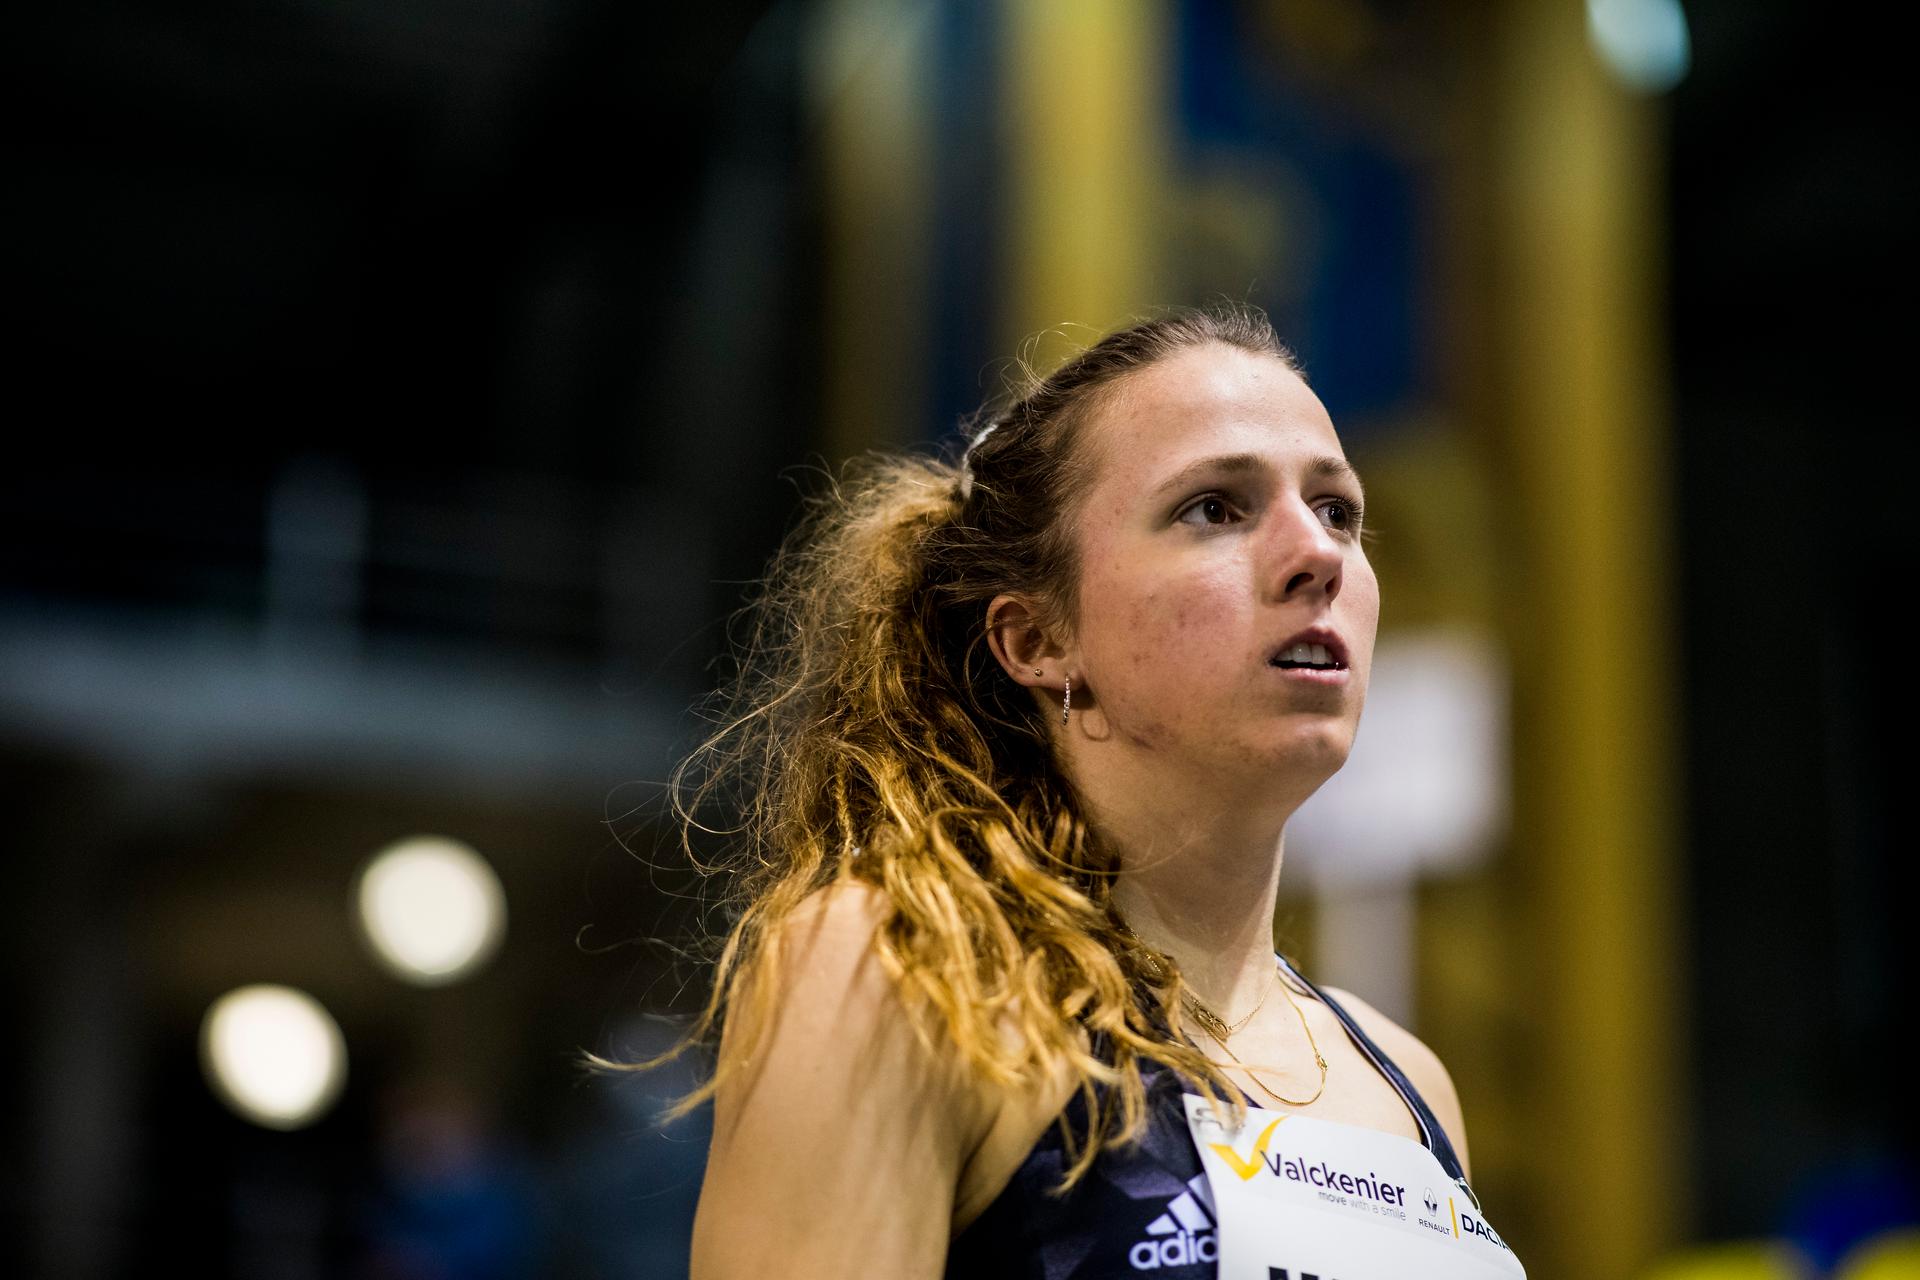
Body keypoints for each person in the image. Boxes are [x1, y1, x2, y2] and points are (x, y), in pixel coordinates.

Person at [595, 303, 1524, 1278]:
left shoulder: (1405, 1077)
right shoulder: (910, 968)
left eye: (1338, 509)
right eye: (1214, 506)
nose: (1320, 554)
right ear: (1037, 639)